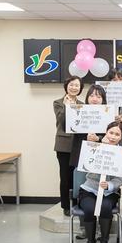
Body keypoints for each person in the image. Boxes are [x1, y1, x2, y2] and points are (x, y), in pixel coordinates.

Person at [77, 121, 122, 243]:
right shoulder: (96, 147)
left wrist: (110, 185)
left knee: (105, 207)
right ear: (106, 133)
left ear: (121, 137)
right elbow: (86, 165)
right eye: (111, 132)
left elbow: (121, 177)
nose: (113, 136)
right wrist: (99, 146)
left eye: (117, 134)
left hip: (109, 192)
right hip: (89, 189)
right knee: (89, 209)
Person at [53, 75, 83, 216]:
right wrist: (67, 106)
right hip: (63, 145)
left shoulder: (83, 104)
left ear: (80, 88)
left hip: (79, 144)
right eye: (71, 85)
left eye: (77, 85)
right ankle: (66, 205)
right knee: (65, 177)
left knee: (77, 176)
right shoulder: (58, 102)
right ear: (66, 86)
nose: (74, 87)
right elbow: (61, 121)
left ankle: (76, 203)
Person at [69, 84, 107, 168]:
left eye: (98, 97)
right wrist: (69, 110)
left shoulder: (108, 114)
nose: (94, 99)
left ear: (103, 100)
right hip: (80, 154)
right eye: (91, 96)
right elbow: (65, 126)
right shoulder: (78, 111)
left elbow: (109, 135)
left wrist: (98, 138)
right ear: (87, 98)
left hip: (100, 157)